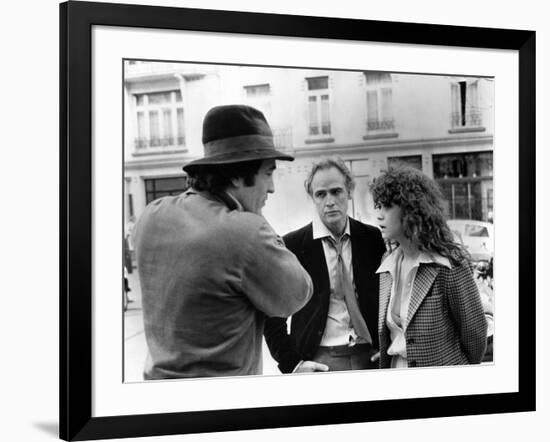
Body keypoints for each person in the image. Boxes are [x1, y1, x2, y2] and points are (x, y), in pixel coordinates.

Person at [134, 104, 313, 379]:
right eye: (268, 173)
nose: (272, 187)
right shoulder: (245, 232)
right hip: (223, 403)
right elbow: (297, 294)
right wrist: (258, 223)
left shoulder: (151, 215)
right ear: (239, 174)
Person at [264, 158, 386, 373]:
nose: (329, 201)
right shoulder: (293, 245)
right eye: (321, 194)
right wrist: (293, 364)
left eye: (336, 191)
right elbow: (272, 316)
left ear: (349, 191)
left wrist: (386, 347)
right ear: (312, 197)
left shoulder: (371, 238)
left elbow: (389, 299)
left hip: (370, 357)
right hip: (319, 360)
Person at [370, 166, 487, 368]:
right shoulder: (386, 263)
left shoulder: (448, 265)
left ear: (411, 209)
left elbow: (475, 334)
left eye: (387, 206)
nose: (379, 215)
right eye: (378, 206)